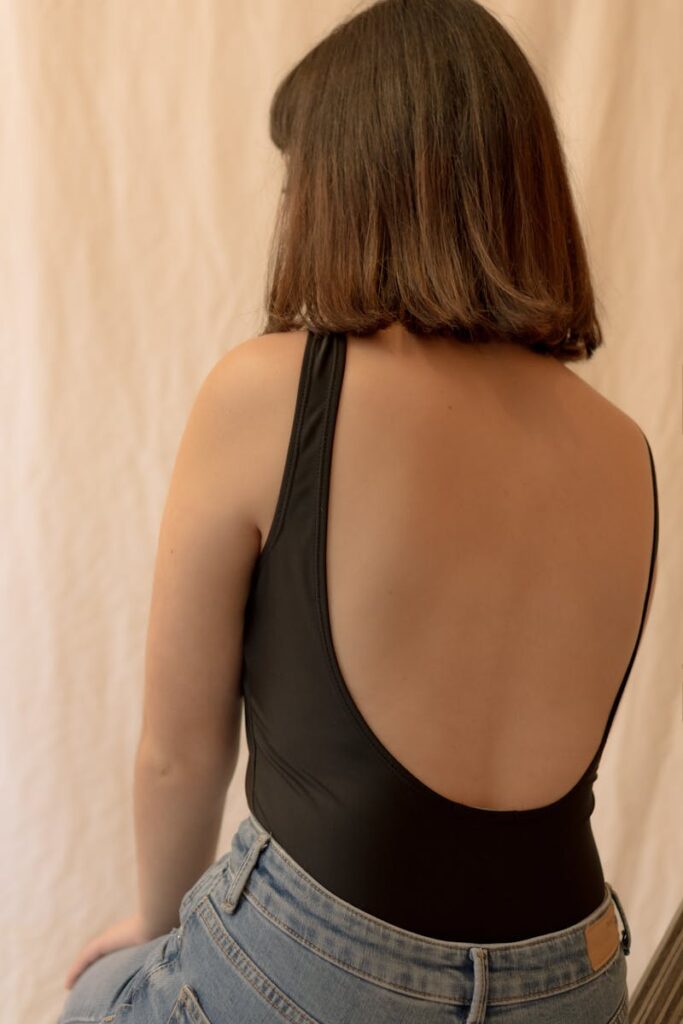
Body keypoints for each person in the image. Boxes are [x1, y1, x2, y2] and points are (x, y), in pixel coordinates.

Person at [59, 1, 658, 1021]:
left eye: (298, 183)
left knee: (95, 997)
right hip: (574, 970)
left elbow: (178, 750)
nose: (289, 213)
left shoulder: (274, 391)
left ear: (352, 186)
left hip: (326, 963)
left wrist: (154, 921)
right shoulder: (622, 447)